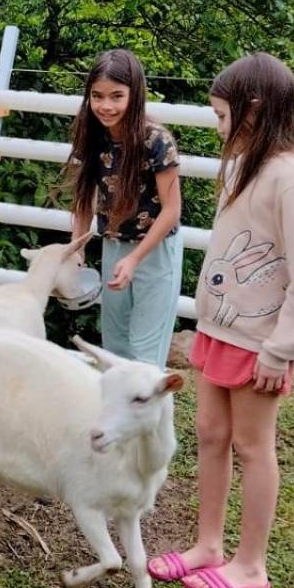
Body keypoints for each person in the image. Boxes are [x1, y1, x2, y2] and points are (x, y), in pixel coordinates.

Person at [148, 53, 294, 588]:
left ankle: (250, 562)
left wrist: (284, 348)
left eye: (225, 116)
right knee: (211, 435)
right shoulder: (245, 165)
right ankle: (208, 545)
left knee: (254, 447)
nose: (220, 128)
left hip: (261, 342)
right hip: (219, 331)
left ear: (254, 108)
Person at [66, 48, 184, 366]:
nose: (106, 106)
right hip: (114, 243)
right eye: (97, 96)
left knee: (146, 353)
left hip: (155, 249)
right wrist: (76, 249)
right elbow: (82, 200)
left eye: (117, 96)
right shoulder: (91, 134)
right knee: (115, 347)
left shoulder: (157, 140)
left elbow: (172, 209)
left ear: (135, 95)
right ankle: (116, 415)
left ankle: (154, 416)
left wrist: (135, 258)